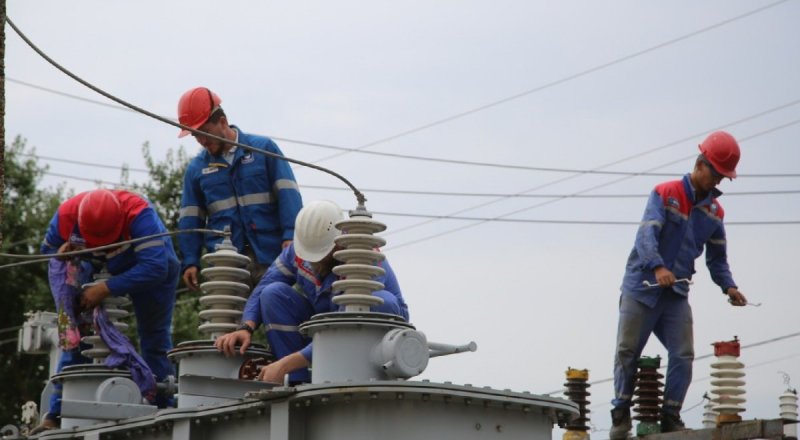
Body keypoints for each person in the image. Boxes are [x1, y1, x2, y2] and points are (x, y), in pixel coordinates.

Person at [610, 131, 749, 439]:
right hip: (642, 287)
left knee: (683, 353)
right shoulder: (665, 193)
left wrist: (729, 287)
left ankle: (670, 415)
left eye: (723, 178)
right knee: (627, 350)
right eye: (715, 174)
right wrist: (658, 266)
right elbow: (646, 235)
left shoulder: (714, 213)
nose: (717, 182)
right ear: (700, 165)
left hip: (675, 294)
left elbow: (717, 259)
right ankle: (620, 414)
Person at [214, 200, 409, 384]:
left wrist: (283, 364)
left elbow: (343, 328)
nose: (313, 262)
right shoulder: (297, 252)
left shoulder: (361, 259)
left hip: (367, 338)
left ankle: (363, 374)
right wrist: (246, 327)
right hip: (325, 324)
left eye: (320, 255)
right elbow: (266, 285)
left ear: (338, 243)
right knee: (273, 295)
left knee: (381, 301)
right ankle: (295, 381)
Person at [37, 189, 179, 430]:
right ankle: (56, 414)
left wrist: (106, 288)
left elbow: (156, 267)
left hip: (147, 268)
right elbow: (47, 251)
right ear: (81, 223)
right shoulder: (66, 216)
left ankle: (162, 408)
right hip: (91, 266)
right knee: (75, 336)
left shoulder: (139, 213)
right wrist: (58, 254)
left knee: (154, 339)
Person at [177, 87, 303, 290]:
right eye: (195, 136)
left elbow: (288, 194)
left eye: (205, 133)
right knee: (229, 320)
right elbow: (190, 218)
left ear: (222, 122)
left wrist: (291, 236)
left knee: (277, 311)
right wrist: (190, 260)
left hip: (271, 257)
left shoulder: (263, 149)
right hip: (226, 264)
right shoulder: (196, 168)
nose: (201, 141)